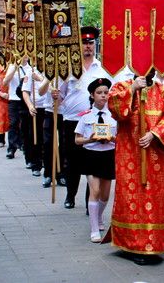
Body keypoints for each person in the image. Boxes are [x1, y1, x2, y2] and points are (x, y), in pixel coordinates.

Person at [106, 72, 164, 264]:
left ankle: (152, 244)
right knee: (130, 197)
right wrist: (133, 89)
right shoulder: (121, 87)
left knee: (154, 197)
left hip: (154, 157)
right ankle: (130, 243)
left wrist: (154, 134)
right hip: (129, 154)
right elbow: (116, 110)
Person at [53, 26, 108, 209]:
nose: (87, 46)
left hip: (95, 120)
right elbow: (60, 95)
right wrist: (55, 96)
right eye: (84, 43)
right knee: (72, 160)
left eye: (90, 42)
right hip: (72, 120)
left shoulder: (102, 69)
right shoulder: (68, 67)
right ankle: (70, 195)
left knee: (93, 160)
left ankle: (90, 201)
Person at [75, 78, 116, 243]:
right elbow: (77, 140)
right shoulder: (85, 116)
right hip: (91, 155)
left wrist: (112, 138)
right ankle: (94, 229)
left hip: (108, 154)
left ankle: (98, 217)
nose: (103, 96)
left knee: (105, 195)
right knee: (95, 191)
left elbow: (121, 138)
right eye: (99, 93)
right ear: (92, 95)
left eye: (106, 92)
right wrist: (89, 139)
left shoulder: (114, 115)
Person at [2, 55, 33, 163]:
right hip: (14, 99)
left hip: (25, 99)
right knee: (13, 123)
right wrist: (15, 67)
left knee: (25, 124)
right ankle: (11, 148)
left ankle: (24, 145)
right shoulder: (12, 66)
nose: (24, 57)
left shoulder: (30, 68)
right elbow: (5, 82)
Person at [22, 68, 51, 178]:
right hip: (36, 107)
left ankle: (51, 167)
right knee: (35, 137)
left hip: (50, 108)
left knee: (48, 140)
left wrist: (40, 79)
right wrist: (30, 106)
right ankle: (36, 165)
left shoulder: (51, 70)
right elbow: (25, 91)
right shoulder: (32, 71)